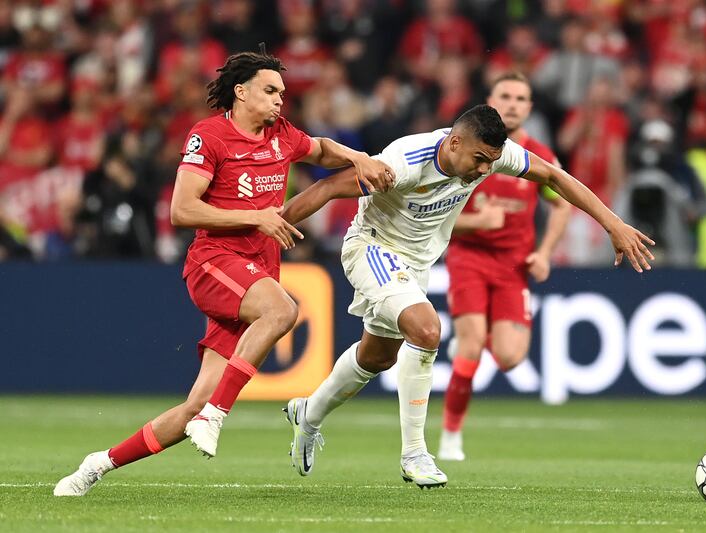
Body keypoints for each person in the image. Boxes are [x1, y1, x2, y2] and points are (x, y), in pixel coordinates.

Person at [53, 50, 393, 497]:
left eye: (282, 93)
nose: (279, 101)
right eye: (270, 91)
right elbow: (182, 209)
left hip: (253, 271)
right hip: (214, 261)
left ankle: (97, 465)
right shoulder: (209, 136)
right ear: (241, 91)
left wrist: (361, 157)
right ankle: (218, 413)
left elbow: (322, 150)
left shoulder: (281, 134)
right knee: (282, 311)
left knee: (191, 406)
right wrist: (257, 217)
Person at [279, 104, 655, 488]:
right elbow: (327, 187)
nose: (484, 171)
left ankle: (308, 414)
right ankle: (415, 454)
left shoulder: (490, 154)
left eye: (491, 162)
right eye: (478, 160)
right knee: (426, 331)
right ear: (455, 142)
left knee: (377, 357)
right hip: (372, 248)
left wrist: (613, 223)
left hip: (415, 263)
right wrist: (266, 228)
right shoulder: (404, 162)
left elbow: (553, 176)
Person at [437, 73, 571, 462]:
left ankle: (477, 333)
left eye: (521, 98)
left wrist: (544, 252)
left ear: (529, 108)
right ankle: (450, 435)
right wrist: (477, 223)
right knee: (472, 347)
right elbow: (431, 214)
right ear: (490, 101)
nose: (513, 104)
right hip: (469, 258)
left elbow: (562, 204)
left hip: (513, 267)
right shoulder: (461, 149)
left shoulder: (537, 156)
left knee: (511, 357)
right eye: (505, 96)